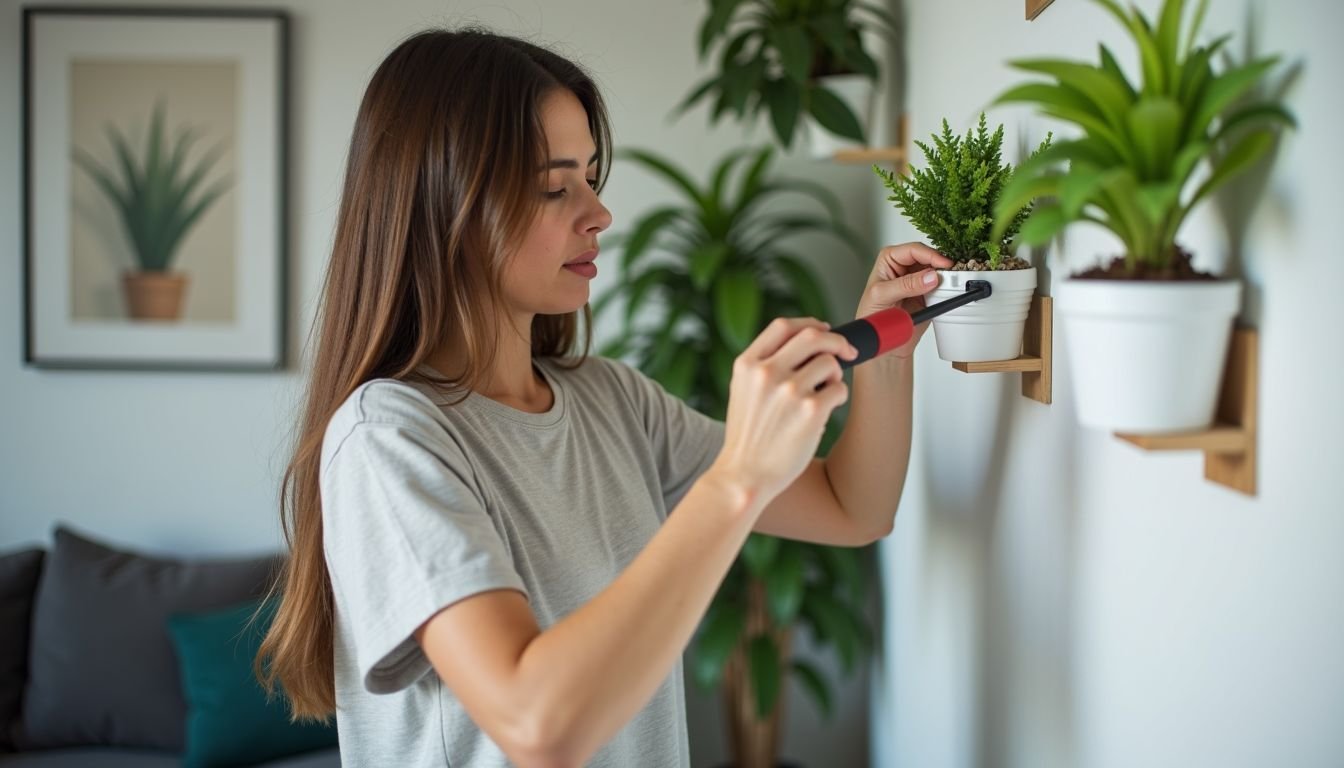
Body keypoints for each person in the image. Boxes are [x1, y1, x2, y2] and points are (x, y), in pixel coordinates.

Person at [257, 27, 952, 768]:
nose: (598, 212)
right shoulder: (388, 440)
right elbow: (536, 726)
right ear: (444, 202)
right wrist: (738, 479)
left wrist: (889, 346)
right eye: (554, 186)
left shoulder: (611, 402)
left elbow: (855, 508)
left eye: (591, 176)